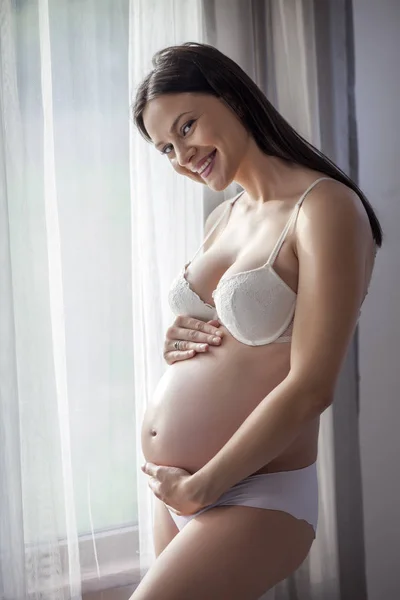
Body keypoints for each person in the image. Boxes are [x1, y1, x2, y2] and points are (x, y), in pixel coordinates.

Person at [130, 42, 381, 600]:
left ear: (233, 97)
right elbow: (237, 343)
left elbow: (312, 387)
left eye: (187, 126)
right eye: (166, 148)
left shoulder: (324, 208)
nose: (182, 155)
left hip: (254, 492)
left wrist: (201, 486)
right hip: (178, 488)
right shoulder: (225, 217)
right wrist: (179, 339)